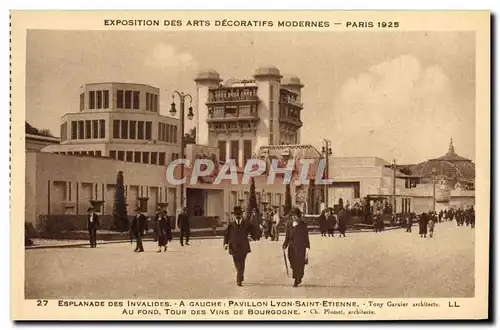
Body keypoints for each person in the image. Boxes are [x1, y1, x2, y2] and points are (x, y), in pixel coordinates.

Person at [223, 206, 258, 286]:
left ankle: (239, 279)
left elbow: (253, 229)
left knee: (241, 263)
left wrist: (252, 236)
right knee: (236, 263)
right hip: (233, 247)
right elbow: (226, 234)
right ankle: (240, 275)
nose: (238, 216)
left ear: (242, 214)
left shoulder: (246, 223)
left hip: (243, 246)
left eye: (239, 214)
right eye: (236, 214)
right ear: (234, 215)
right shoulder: (231, 224)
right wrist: (225, 244)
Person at [282, 208, 310, 287]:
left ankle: (297, 278)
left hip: (300, 247)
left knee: (300, 263)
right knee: (293, 262)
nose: (293, 217)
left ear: (298, 216)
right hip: (291, 247)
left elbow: (306, 237)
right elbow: (287, 236)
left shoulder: (303, 225)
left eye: (295, 215)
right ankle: (298, 276)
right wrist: (285, 244)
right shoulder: (289, 224)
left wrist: (307, 247)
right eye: (292, 215)